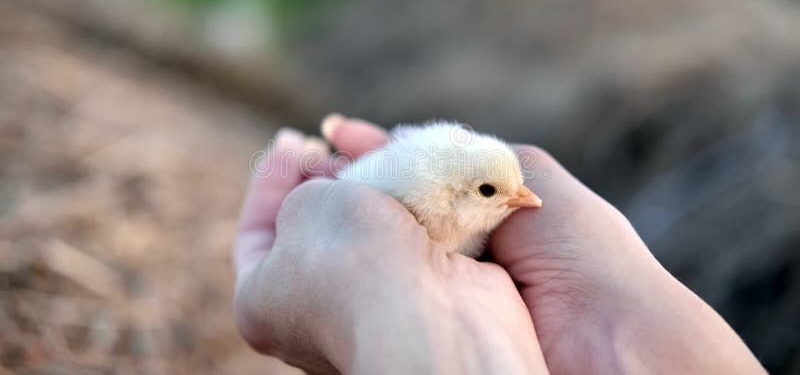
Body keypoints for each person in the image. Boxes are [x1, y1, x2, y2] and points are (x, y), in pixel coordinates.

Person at [233, 116, 766, 375]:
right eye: (492, 192)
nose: (523, 199)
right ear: (444, 197)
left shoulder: (442, 199)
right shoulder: (423, 195)